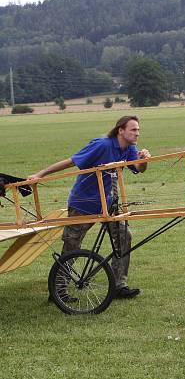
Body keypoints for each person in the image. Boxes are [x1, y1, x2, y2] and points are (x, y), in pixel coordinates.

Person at [29, 116, 151, 299]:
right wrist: (41, 174)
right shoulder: (102, 145)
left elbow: (138, 168)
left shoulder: (129, 148)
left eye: (138, 130)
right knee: (72, 247)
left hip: (108, 204)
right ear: (120, 130)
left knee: (124, 236)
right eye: (133, 130)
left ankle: (119, 285)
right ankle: (58, 292)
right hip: (83, 204)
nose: (137, 133)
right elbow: (72, 160)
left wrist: (144, 160)